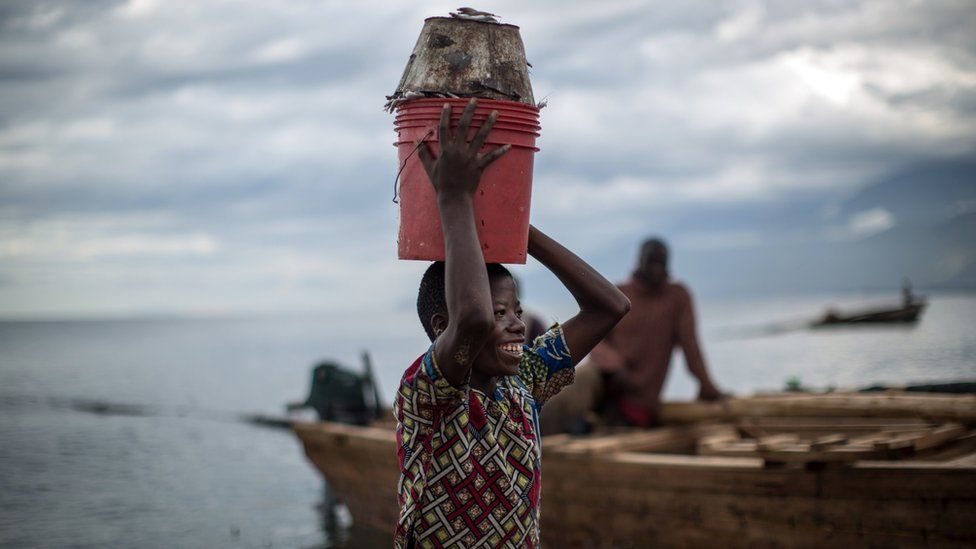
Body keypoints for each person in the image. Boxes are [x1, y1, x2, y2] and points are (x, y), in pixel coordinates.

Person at [393, 99, 630, 548]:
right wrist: (454, 198)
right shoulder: (426, 395)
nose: (518, 325)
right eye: (502, 314)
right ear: (442, 324)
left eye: (517, 312)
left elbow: (610, 307)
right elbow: (473, 319)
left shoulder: (524, 382)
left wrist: (517, 227)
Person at [587, 238, 723, 427]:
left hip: (639, 402)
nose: (656, 269)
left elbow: (691, 348)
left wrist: (707, 387)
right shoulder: (619, 295)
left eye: (661, 263)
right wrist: (615, 366)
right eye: (651, 262)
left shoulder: (677, 298)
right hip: (607, 388)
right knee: (583, 377)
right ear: (640, 261)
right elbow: (594, 343)